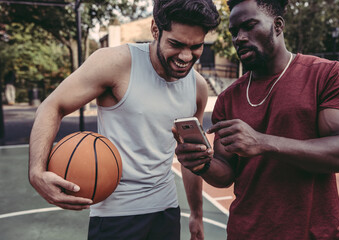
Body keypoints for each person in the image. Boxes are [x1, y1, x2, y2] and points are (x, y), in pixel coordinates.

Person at [28, 0, 219, 239]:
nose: (185, 56)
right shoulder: (116, 63)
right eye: (176, 44)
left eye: (196, 47)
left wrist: (196, 215)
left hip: (167, 209)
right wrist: (36, 171)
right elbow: (52, 106)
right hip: (115, 214)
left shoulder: (197, 87)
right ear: (155, 30)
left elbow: (190, 156)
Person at [174, 0, 339, 239]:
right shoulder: (228, 98)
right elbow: (226, 172)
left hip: (314, 232)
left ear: (278, 25)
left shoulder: (327, 75)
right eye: (234, 32)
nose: (239, 38)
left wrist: (261, 142)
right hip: (246, 232)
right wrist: (202, 163)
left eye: (249, 26)